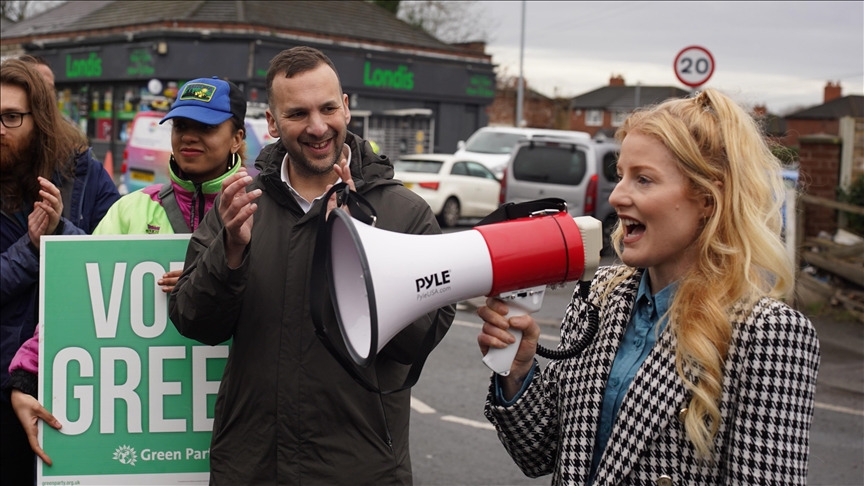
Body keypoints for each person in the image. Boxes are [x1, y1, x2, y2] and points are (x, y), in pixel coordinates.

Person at [477, 88, 820, 485]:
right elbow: (541, 453)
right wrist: (518, 373)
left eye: (643, 179)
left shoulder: (769, 333)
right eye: (619, 175)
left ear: (708, 198)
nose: (619, 195)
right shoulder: (601, 296)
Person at [168, 46, 455, 484]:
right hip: (251, 467)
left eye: (327, 109)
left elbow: (416, 343)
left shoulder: (404, 213)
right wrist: (230, 252)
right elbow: (194, 321)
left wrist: (363, 255)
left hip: (362, 470)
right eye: (298, 113)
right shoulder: (240, 205)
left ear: (346, 108)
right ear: (271, 122)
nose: (318, 127)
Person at [5, 76, 249, 467]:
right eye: (182, 125)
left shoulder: (263, 208)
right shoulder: (131, 209)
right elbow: (79, 300)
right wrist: (26, 376)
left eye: (206, 127)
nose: (190, 137)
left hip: (237, 422)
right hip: (148, 430)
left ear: (237, 137)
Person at [1, 58, 120, 485]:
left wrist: (60, 231)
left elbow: (113, 265)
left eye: (11, 117)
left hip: (74, 380)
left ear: (41, 119)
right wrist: (33, 246)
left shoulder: (82, 172)